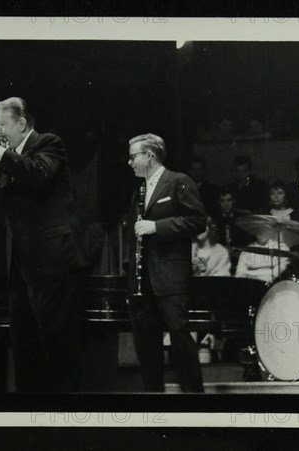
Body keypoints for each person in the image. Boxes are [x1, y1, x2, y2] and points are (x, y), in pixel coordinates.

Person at [0, 97, 87, 392]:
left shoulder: (49, 143)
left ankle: (64, 415)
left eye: (2, 125)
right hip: (21, 263)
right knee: (24, 342)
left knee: (57, 342)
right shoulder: (9, 158)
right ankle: (28, 412)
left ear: (21, 124)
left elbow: (37, 175)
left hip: (53, 261)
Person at [127, 133, 206, 393]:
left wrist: (156, 226)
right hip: (143, 280)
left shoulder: (178, 181)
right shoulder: (138, 191)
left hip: (171, 276)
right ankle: (154, 400)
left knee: (179, 336)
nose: (130, 162)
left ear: (149, 155)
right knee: (146, 342)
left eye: (133, 156)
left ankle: (195, 401)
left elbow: (197, 221)